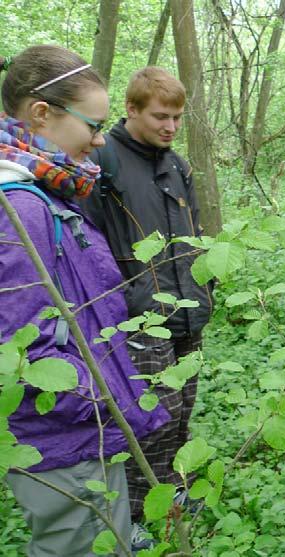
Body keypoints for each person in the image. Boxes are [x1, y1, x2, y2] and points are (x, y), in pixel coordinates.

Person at [0, 45, 169, 556]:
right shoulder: (20, 210)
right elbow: (21, 346)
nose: (99, 140)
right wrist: (102, 402)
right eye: (91, 125)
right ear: (41, 114)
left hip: (80, 431)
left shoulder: (47, 194)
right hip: (63, 437)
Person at [81, 67, 213, 530]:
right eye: (160, 116)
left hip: (187, 311)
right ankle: (133, 513)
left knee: (182, 411)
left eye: (177, 118)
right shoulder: (104, 162)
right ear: (131, 109)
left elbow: (194, 233)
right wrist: (122, 303)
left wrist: (204, 290)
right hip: (137, 315)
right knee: (151, 415)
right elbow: (89, 244)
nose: (170, 127)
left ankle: (176, 489)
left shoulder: (176, 165)